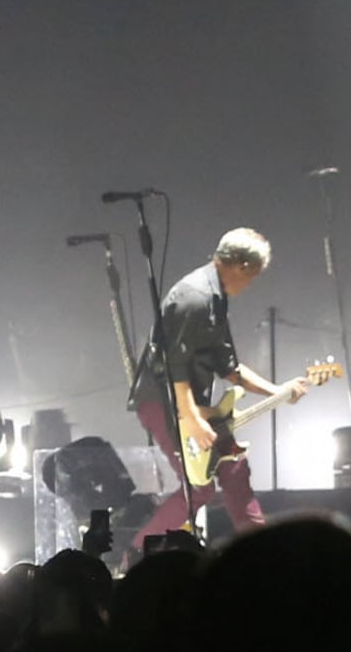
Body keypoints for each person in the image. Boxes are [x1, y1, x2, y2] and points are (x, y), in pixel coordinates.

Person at [130, 228, 306, 541]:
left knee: (235, 468)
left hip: (193, 406)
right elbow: (175, 364)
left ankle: (261, 552)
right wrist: (193, 419)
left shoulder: (216, 300)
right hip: (163, 402)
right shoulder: (194, 297)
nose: (251, 283)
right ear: (242, 267)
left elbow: (230, 369)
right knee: (198, 486)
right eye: (253, 276)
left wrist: (279, 392)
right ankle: (137, 554)